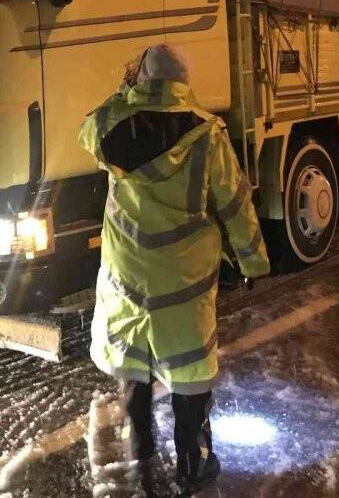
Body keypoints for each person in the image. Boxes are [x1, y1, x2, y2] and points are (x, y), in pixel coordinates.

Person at [79, 44, 270, 495]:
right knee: (189, 371)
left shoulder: (110, 127)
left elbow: (89, 126)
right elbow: (233, 201)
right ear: (184, 84)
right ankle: (194, 463)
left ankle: (140, 454)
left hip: (127, 272)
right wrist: (253, 261)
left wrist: (127, 93)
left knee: (132, 364)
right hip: (183, 279)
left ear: (139, 81)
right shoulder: (207, 134)